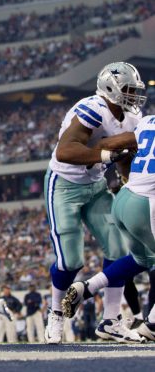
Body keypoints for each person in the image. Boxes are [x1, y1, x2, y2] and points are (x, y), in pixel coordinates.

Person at [44, 62, 146, 344]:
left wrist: (127, 182)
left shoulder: (133, 117)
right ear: (111, 88)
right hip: (64, 184)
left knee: (118, 246)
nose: (134, 96)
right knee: (70, 261)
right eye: (128, 90)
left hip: (96, 185)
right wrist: (106, 155)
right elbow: (65, 151)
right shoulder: (92, 107)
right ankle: (55, 314)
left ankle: (111, 320)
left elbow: (124, 155)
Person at [62, 115, 155, 342]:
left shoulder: (147, 121)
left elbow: (108, 143)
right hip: (147, 202)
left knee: (141, 260)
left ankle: (88, 287)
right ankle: (152, 323)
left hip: (125, 197)